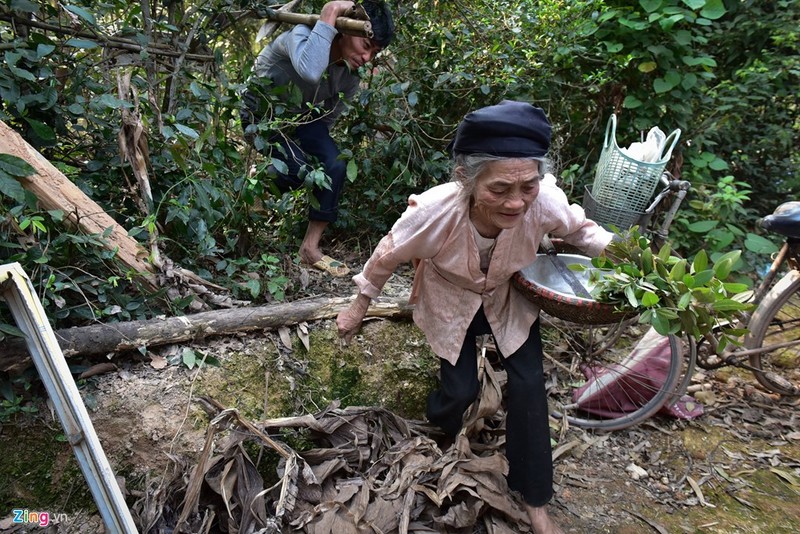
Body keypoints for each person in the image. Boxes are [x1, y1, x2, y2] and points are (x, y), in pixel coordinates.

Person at [336, 100, 615, 533]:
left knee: (528, 386)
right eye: (500, 189)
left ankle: (536, 501)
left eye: (527, 186)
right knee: (460, 388)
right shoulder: (434, 212)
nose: (515, 202)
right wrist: (359, 305)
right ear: (466, 178)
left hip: (508, 299)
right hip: (451, 299)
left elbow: (583, 231)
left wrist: (635, 259)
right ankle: (443, 427)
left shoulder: (545, 204)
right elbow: (387, 253)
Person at [240, 0, 394, 276]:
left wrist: (318, 149)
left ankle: (310, 248)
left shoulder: (349, 76)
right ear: (347, 30)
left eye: (375, 52)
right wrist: (331, 11)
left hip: (302, 120)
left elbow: (327, 119)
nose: (368, 58)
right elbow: (311, 72)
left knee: (334, 163)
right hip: (262, 116)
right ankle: (258, 181)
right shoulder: (299, 36)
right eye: (366, 46)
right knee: (297, 169)